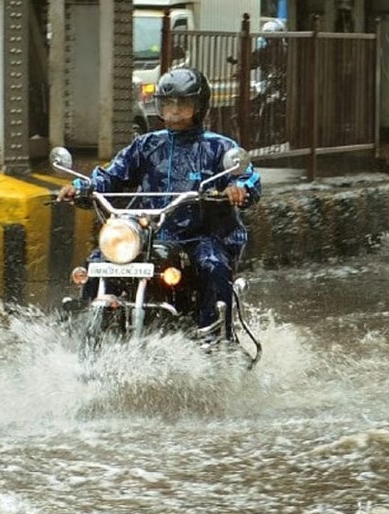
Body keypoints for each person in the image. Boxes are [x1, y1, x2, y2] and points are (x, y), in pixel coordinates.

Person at [59, 67, 261, 335]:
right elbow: (110, 176)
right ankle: (84, 329)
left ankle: (217, 336)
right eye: (168, 105)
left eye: (184, 105)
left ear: (200, 108)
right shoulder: (145, 145)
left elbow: (248, 178)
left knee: (213, 265)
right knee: (98, 261)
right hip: (149, 233)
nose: (174, 111)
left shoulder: (218, 147)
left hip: (199, 235)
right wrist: (82, 187)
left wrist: (238, 187)